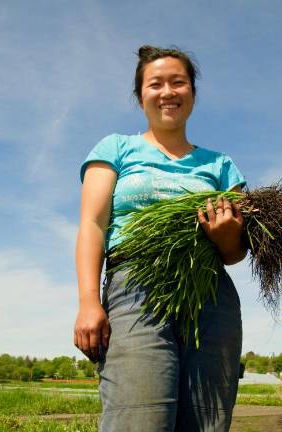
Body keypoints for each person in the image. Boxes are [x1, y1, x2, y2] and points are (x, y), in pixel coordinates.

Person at [74, 45, 247, 432]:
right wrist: (88, 301)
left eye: (178, 82)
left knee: (206, 425)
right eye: (156, 84)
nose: (168, 91)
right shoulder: (116, 148)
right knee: (139, 420)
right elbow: (93, 225)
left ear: (192, 94)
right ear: (141, 97)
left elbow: (234, 254)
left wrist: (226, 236)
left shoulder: (221, 165)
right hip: (134, 286)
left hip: (211, 297)